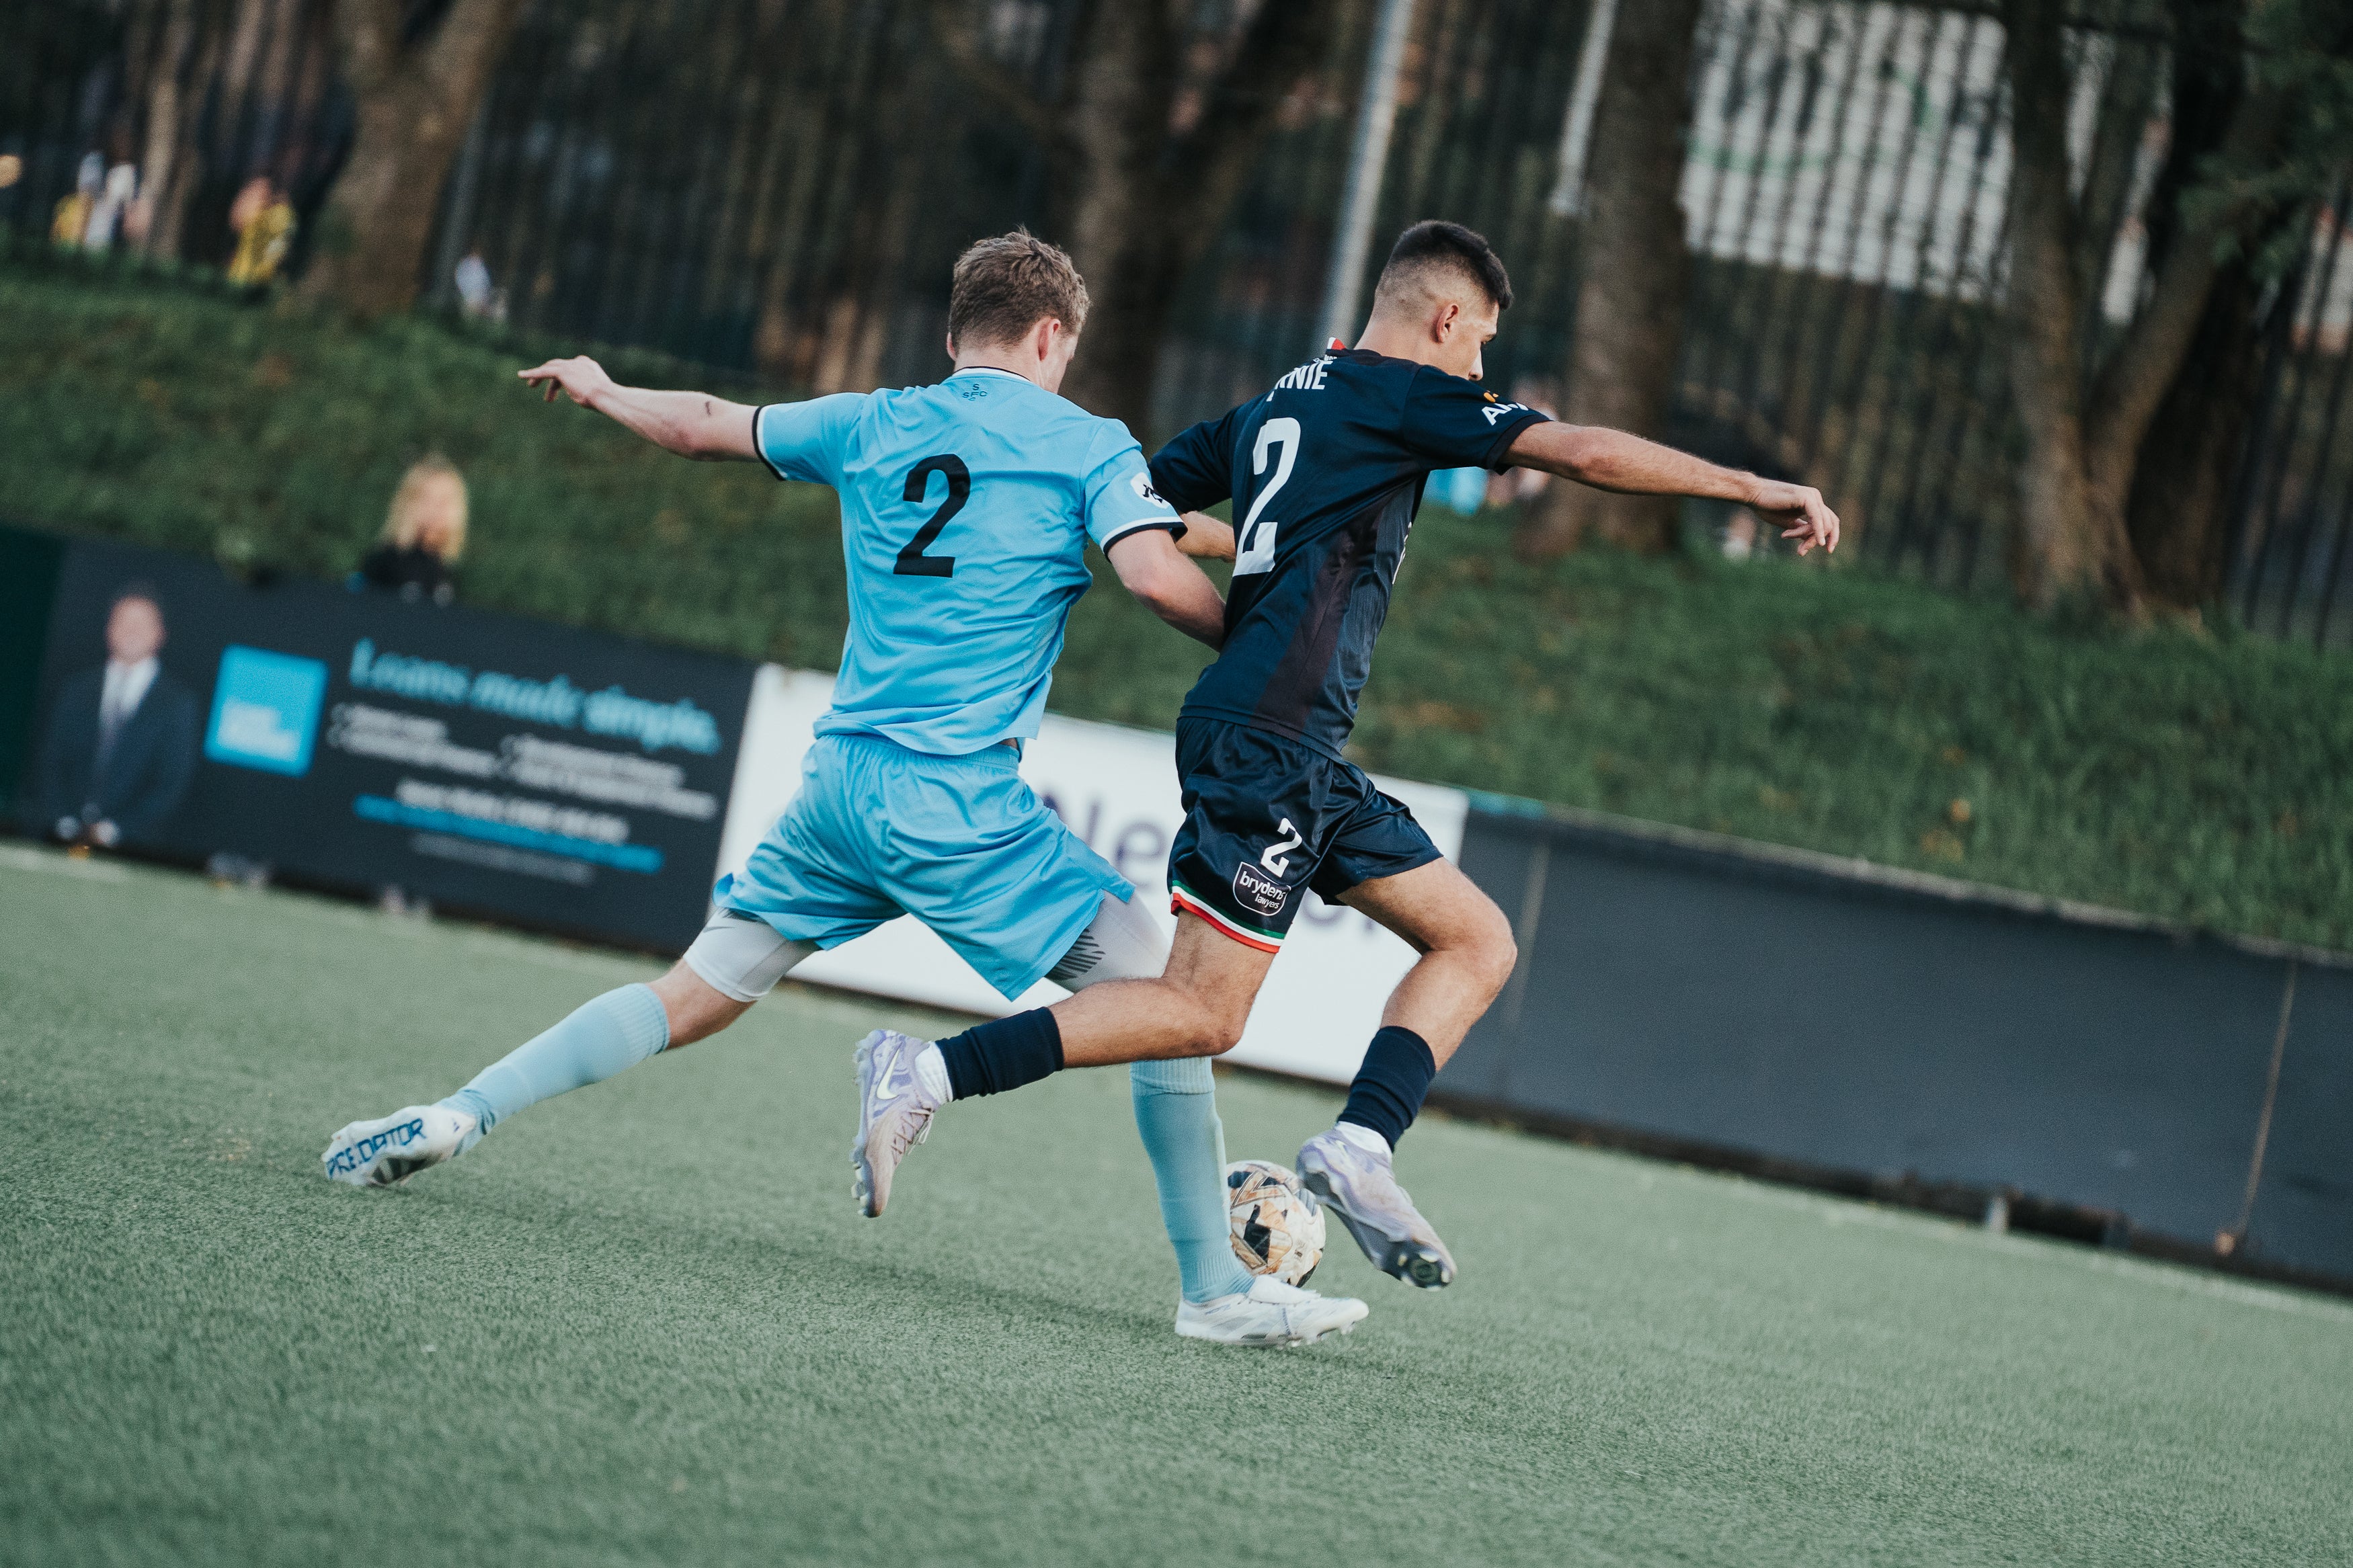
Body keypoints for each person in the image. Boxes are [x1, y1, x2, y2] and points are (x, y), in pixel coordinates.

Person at [320, 230, 1368, 1348]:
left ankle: (458, 1110)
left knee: (690, 990)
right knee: (1174, 1005)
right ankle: (1211, 1286)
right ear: (1054, 336)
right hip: (957, 805)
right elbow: (1157, 572)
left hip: (837, 789)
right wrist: (1264, 659)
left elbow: (708, 425)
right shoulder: (1085, 443)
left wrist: (605, 387)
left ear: (952, 332)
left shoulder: (874, 420)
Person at [853, 220, 1840, 1290]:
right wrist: (1753, 487)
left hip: (1296, 746)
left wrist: (1271, 548)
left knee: (1476, 941)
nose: (1483, 373)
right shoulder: (1409, 391)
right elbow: (1581, 451)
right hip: (1267, 737)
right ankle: (929, 1070)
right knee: (1201, 1013)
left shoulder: (1283, 398)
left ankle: (1361, 1146)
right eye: (1483, 346)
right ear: (1449, 319)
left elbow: (1150, 505)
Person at [32, 585, 200, 851]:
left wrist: (115, 829)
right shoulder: (78, 689)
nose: (132, 631)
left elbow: (170, 782)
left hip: (135, 848)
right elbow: (53, 759)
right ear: (109, 628)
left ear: (159, 633)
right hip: (58, 835)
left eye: (142, 623)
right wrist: (63, 820)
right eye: (124, 621)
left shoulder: (176, 704)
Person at [353, 456, 468, 604]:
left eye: (444, 501)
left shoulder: (452, 571)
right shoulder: (385, 562)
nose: (436, 510)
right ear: (408, 503)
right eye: (427, 499)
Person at [225, 176, 294, 288]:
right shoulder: (261, 217)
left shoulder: (279, 215)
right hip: (242, 275)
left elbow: (278, 248)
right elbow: (238, 222)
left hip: (256, 279)